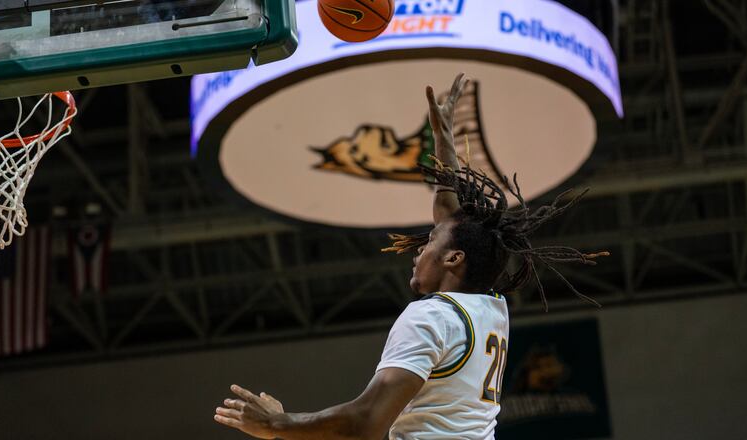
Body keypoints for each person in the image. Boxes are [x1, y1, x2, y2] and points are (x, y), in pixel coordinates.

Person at [213, 73, 607, 440]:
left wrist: (277, 424)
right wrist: (443, 139)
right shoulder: (489, 307)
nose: (420, 248)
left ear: (453, 259)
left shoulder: (432, 317)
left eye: (430, 241)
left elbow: (367, 422)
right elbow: (451, 219)